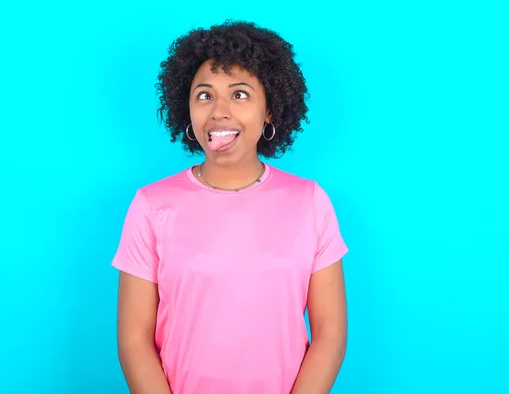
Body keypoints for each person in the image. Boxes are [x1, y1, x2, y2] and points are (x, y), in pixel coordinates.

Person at [112, 20, 349, 394]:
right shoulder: (151, 205)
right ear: (185, 108)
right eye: (204, 96)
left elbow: (330, 335)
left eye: (240, 95)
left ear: (270, 109)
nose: (219, 111)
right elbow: (133, 340)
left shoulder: (310, 202)